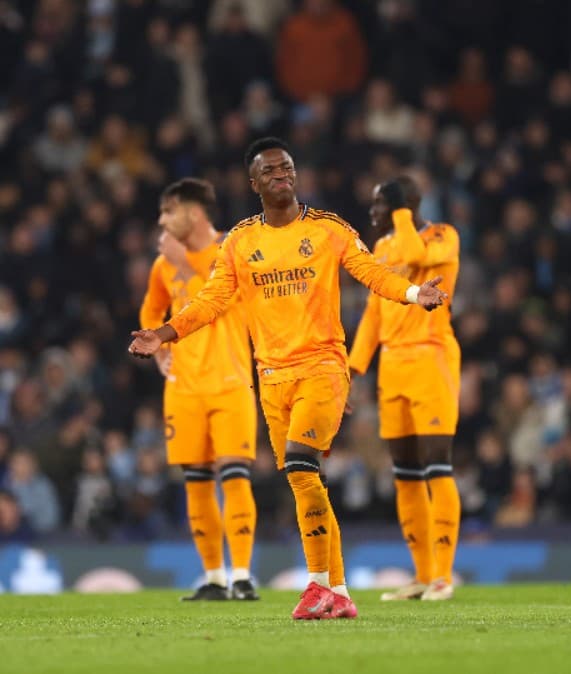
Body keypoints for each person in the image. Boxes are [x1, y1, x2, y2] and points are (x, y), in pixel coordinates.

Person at [128, 137, 448, 620]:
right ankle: (330, 588)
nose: (282, 175)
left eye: (288, 167)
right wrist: (165, 334)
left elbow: (370, 271)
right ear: (254, 183)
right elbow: (212, 300)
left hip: (322, 367)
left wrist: (410, 291)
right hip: (271, 379)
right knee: (302, 482)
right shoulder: (239, 241)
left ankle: (327, 586)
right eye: (270, 170)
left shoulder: (327, 228)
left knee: (301, 466)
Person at [139, 178, 259, 601]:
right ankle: (214, 577)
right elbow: (152, 310)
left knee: (234, 477)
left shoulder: (232, 249)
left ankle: (242, 575)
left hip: (229, 383)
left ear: (193, 212)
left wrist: (187, 264)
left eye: (168, 210)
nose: (161, 220)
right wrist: (157, 353)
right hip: (184, 388)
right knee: (196, 483)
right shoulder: (162, 266)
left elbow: (222, 297)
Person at [348, 176, 462, 601]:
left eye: (382, 205)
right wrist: (354, 368)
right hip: (392, 365)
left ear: (405, 205)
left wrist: (401, 213)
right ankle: (422, 574)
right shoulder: (380, 250)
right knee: (405, 473)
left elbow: (415, 256)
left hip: (431, 355)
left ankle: (443, 578)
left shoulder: (442, 235)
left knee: (437, 464)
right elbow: (374, 315)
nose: (374, 213)